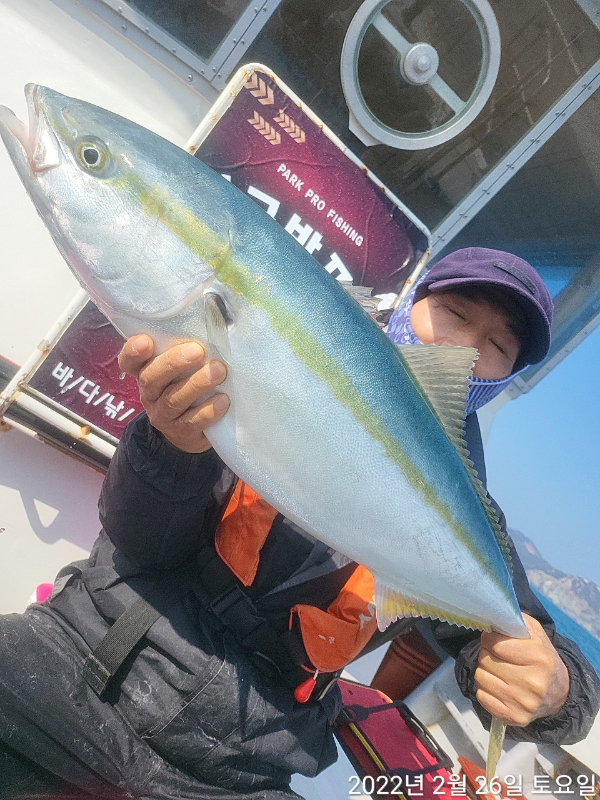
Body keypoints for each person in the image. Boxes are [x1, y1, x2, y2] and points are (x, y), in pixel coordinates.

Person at [0, 248, 598, 798]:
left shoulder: (465, 516)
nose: (463, 349)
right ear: (409, 303)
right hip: (82, 660)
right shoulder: (264, 362)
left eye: (497, 346)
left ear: (505, 375)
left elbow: (560, 670)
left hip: (240, 770)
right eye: (454, 313)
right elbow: (139, 539)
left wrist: (555, 690)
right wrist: (170, 446)